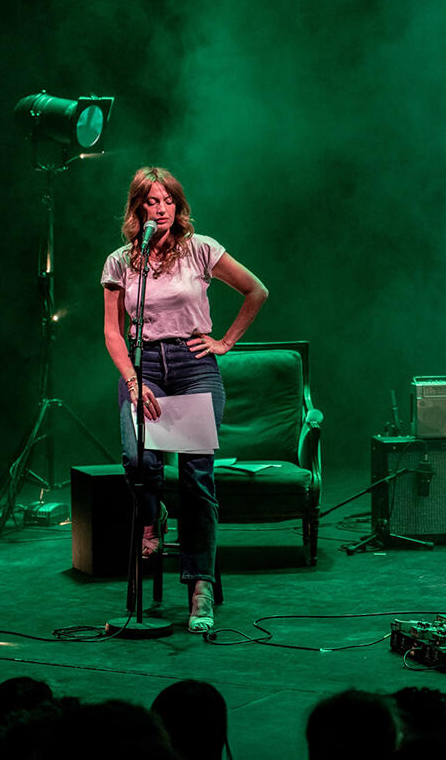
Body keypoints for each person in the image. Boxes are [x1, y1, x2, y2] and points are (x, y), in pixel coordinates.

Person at [102, 166, 268, 633]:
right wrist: (134, 381)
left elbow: (257, 290)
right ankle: (153, 517)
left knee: (197, 477)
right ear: (138, 209)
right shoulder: (119, 262)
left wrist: (226, 342)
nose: (162, 209)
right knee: (137, 459)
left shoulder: (201, 249)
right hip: (145, 367)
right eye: (152, 202)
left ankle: (199, 589)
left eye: (169, 201)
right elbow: (113, 333)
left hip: (193, 364)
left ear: (178, 205)